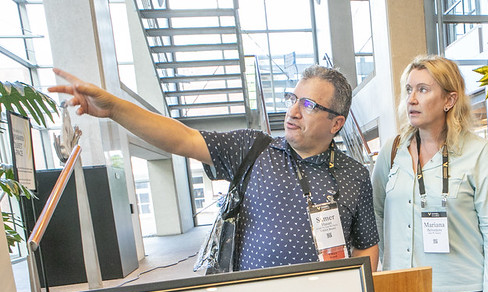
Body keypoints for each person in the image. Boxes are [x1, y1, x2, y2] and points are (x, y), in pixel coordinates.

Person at [49, 66, 379, 271]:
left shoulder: (355, 176)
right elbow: (182, 139)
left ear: (336, 123)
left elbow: (365, 245)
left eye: (307, 105)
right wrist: (113, 108)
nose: (293, 111)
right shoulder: (253, 150)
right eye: (292, 98)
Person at [372, 55, 488, 292]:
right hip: (404, 290)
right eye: (409, 89)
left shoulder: (477, 152)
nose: (412, 99)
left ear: (449, 100)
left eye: (423, 89)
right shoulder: (392, 151)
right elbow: (378, 214)